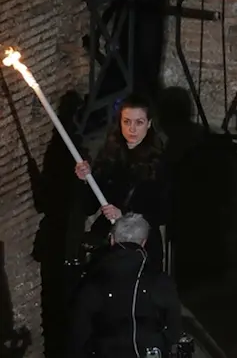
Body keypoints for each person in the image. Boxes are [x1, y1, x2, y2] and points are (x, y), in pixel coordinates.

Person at [74, 94, 169, 273]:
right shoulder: (109, 155)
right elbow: (88, 206)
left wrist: (125, 215)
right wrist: (85, 180)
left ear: (149, 123)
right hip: (107, 244)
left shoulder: (159, 162)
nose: (132, 129)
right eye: (127, 122)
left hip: (142, 244)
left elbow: (164, 212)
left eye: (139, 122)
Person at [67, 213, 181, 358]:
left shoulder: (94, 280)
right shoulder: (159, 280)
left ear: (112, 240)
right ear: (143, 242)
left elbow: (79, 330)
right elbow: (174, 327)